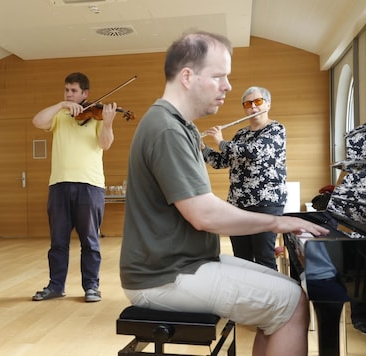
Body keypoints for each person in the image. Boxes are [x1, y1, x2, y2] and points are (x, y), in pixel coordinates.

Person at [120, 31, 330, 356]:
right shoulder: (166, 129)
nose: (229, 87)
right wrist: (277, 223)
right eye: (220, 76)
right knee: (291, 303)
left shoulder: (181, 127)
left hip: (186, 263)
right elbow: (204, 215)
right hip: (163, 277)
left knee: (289, 291)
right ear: (188, 77)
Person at [31, 72, 117, 303]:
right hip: (59, 185)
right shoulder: (60, 115)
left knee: (90, 240)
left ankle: (91, 286)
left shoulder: (98, 117)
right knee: (58, 241)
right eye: (66, 90)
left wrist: (107, 123)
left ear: (85, 94)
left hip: (90, 185)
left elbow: (105, 144)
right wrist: (61, 104)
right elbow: (37, 121)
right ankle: (56, 286)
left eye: (73, 91)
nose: (69, 94)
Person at [201, 87, 287, 270]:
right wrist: (202, 148)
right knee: (242, 259)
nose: (253, 108)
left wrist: (221, 142)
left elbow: (254, 152)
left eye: (258, 102)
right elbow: (221, 161)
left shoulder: (276, 129)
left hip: (266, 204)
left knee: (264, 258)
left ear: (268, 104)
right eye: (248, 104)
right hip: (237, 205)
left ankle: (271, 298)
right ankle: (248, 298)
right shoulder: (241, 134)